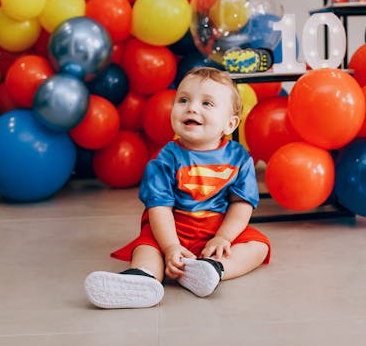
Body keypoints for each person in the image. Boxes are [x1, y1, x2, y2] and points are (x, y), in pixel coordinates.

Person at [85, 67, 271, 309]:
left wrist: (223, 238)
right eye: (183, 100)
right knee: (147, 247)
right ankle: (143, 277)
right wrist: (170, 246)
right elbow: (159, 208)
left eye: (207, 104)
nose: (192, 108)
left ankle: (214, 269)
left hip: (217, 227)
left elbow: (240, 204)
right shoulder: (164, 159)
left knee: (258, 246)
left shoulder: (239, 158)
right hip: (172, 228)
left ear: (230, 124)